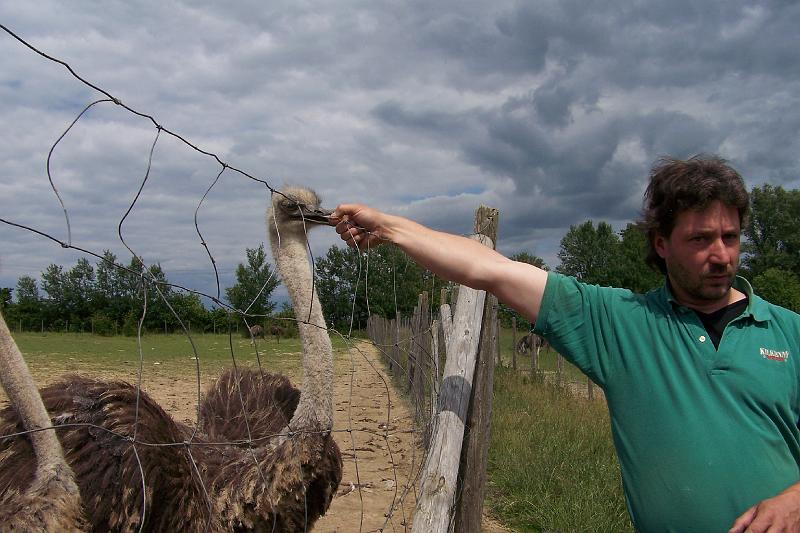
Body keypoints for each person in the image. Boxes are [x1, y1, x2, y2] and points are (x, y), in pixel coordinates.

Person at [330, 155, 800, 532]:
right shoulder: (622, 322)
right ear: (661, 243)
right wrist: (389, 227)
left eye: (731, 237)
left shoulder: (790, 333)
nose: (721, 255)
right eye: (700, 239)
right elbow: (488, 268)